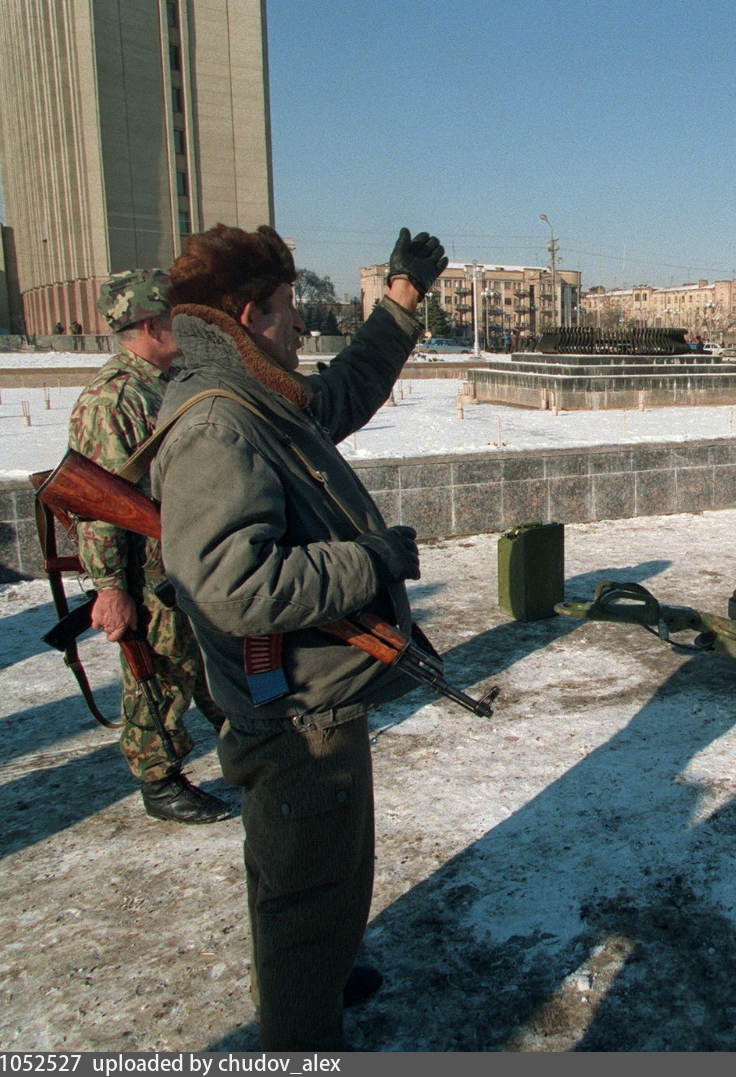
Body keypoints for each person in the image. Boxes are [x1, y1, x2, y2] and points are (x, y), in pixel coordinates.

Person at [149, 223, 446, 1049]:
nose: (300, 329)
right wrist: (368, 562)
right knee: (302, 892)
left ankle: (317, 973)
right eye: (287, 314)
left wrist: (399, 305)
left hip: (312, 697)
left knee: (324, 874)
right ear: (247, 315)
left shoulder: (249, 392)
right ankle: (301, 1032)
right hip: (293, 716)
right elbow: (235, 584)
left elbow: (339, 397)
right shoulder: (218, 423)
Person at [67, 269, 232, 824]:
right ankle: (159, 780)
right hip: (147, 570)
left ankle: (246, 741)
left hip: (188, 558)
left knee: (209, 660)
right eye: (174, 316)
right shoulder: (111, 400)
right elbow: (96, 506)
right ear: (150, 323)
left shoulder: (167, 381)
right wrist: (110, 589)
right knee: (159, 671)